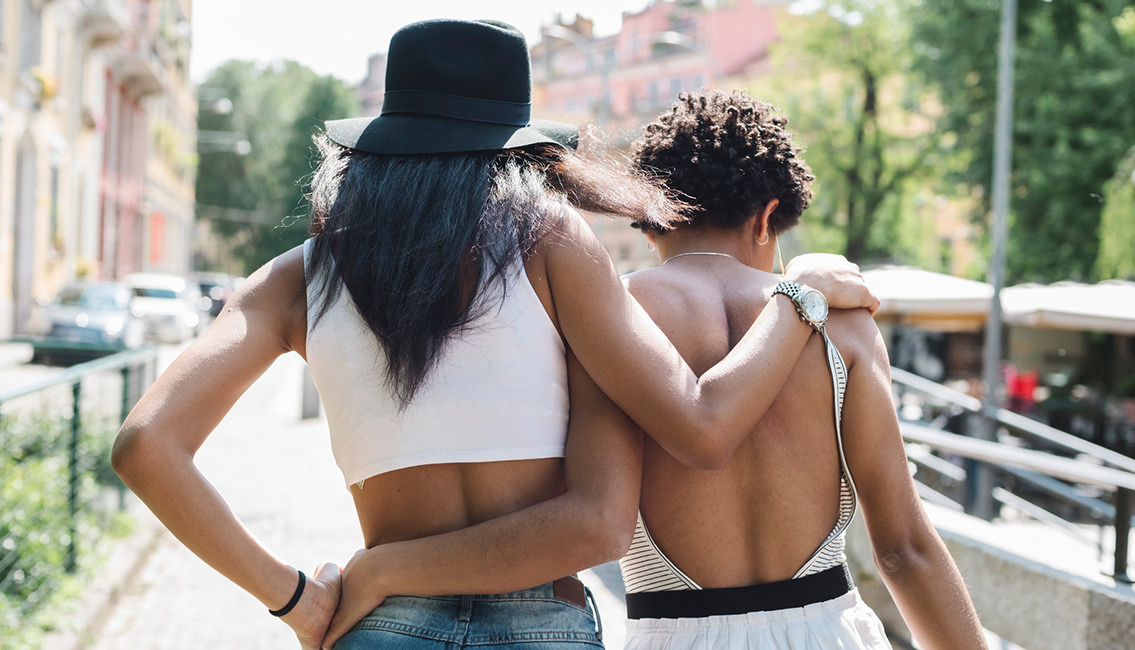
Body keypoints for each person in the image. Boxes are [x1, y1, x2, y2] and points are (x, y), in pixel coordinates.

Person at [111, 21, 875, 650]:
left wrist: (300, 598)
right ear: (518, 146)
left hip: (379, 630)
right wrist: (796, 296)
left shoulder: (293, 279)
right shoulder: (551, 243)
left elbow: (146, 447)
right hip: (539, 626)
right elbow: (649, 480)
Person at [326, 90, 988, 650]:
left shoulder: (614, 317)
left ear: (648, 222)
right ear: (767, 220)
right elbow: (904, 549)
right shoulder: (839, 321)